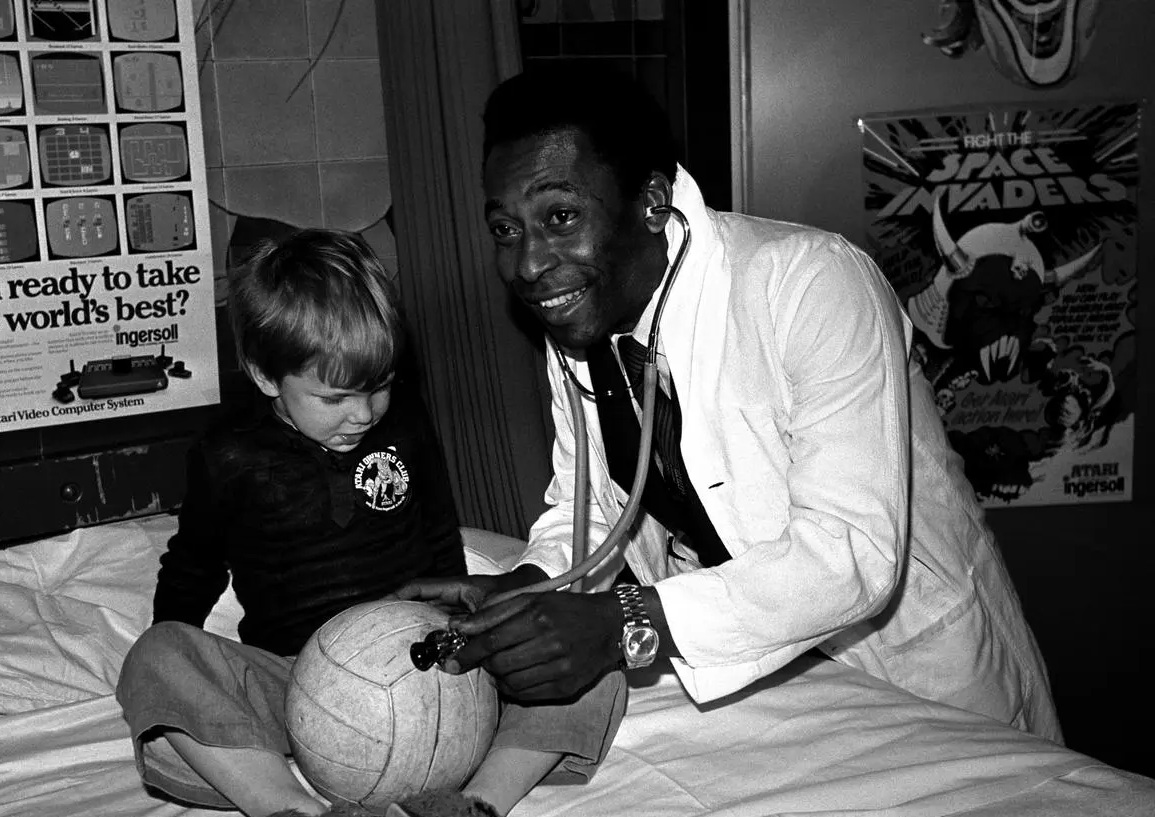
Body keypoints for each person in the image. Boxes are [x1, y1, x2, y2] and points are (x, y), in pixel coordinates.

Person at [399, 67, 1062, 745]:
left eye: (560, 216)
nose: (530, 264)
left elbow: (849, 553)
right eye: (505, 230)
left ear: (652, 201)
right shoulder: (579, 318)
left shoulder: (811, 284)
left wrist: (634, 619)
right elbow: (590, 501)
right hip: (773, 689)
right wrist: (530, 585)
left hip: (915, 676)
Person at [115, 228, 625, 817]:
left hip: (431, 668)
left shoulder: (403, 424)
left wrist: (469, 635)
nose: (363, 413)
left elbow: (440, 538)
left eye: (379, 386)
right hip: (300, 683)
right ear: (267, 375)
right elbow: (192, 568)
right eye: (334, 398)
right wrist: (191, 687)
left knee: (593, 646)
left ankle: (472, 810)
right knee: (155, 657)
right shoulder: (226, 455)